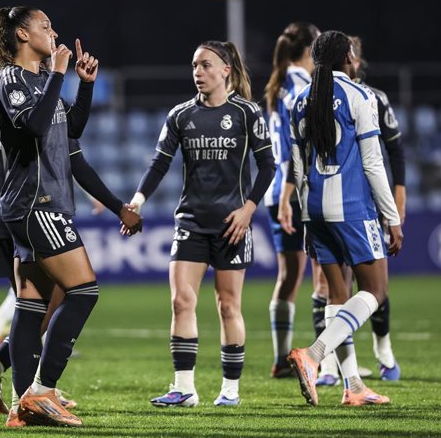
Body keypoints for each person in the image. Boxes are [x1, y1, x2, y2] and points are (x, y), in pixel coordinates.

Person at [0, 110, 141, 425]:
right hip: (35, 209)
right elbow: (74, 161)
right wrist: (117, 206)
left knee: (34, 307)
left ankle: (11, 388)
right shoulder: (43, 110)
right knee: (65, 298)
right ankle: (31, 394)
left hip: (7, 215)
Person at [0, 5, 115, 427]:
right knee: (83, 291)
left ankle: (20, 409)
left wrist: (86, 85)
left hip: (47, 202)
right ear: (22, 34)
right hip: (34, 203)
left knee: (31, 305)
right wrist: (59, 73)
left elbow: (68, 126)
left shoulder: (43, 81)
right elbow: (37, 128)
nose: (53, 31)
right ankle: (41, 391)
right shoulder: (12, 79)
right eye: (45, 26)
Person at [129, 40, 275, 407]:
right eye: (195, 66)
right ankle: (184, 388)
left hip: (232, 225)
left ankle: (230, 390)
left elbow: (268, 165)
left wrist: (249, 209)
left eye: (206, 65)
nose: (198, 72)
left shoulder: (246, 113)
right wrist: (138, 200)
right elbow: (159, 163)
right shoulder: (180, 116)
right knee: (181, 300)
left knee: (228, 307)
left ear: (226, 69)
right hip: (191, 221)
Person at [285, 30, 403, 407]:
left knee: (338, 296)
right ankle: (314, 355)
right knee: (376, 291)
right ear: (346, 58)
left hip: (315, 209)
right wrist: (392, 217)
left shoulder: (300, 101)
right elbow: (372, 162)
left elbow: (299, 169)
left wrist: (306, 218)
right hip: (351, 209)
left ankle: (353, 386)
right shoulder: (359, 95)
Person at [263, 22, 333, 379]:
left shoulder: (277, 86)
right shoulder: (303, 86)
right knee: (326, 275)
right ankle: (326, 363)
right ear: (309, 51)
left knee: (289, 276)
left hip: (276, 194)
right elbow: (297, 145)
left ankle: (280, 359)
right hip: (298, 192)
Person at [350, 35, 404, 381]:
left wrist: (397, 202)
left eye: (353, 55)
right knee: (330, 288)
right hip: (334, 204)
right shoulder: (315, 99)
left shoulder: (375, 99)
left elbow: (395, 153)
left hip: (369, 203)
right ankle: (336, 366)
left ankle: (383, 350)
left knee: (375, 282)